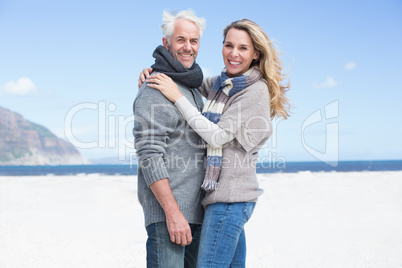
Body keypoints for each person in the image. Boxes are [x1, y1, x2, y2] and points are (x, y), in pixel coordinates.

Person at [140, 19, 291, 267]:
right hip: (225, 199)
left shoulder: (254, 90)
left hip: (229, 200)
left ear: (255, 54)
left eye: (243, 48)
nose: (233, 53)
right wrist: (154, 71)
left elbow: (217, 136)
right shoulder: (224, 85)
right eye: (228, 45)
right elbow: (190, 77)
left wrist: (176, 97)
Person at [132, 9, 207, 268]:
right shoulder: (156, 88)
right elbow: (149, 155)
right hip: (169, 219)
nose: (188, 47)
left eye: (193, 41)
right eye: (180, 40)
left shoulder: (192, 87)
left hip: (197, 215)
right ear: (166, 43)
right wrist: (173, 213)